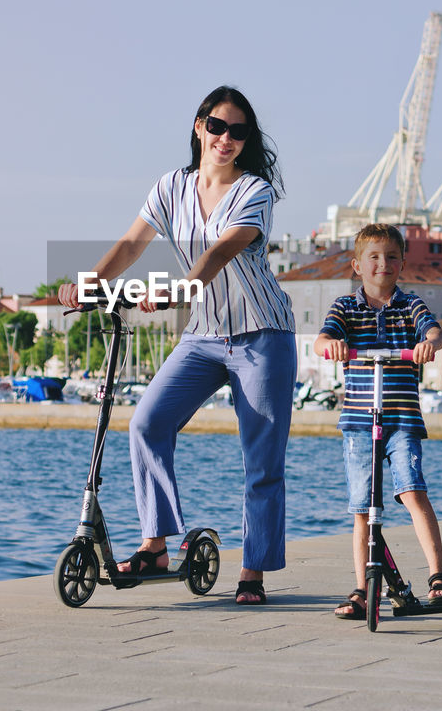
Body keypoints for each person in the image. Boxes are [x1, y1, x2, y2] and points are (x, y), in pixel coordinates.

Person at [57, 85, 296, 605]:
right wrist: (88, 283)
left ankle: (252, 572)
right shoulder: (171, 187)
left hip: (262, 337)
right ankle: (156, 544)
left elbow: (221, 251)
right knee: (147, 421)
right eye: (217, 127)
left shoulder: (254, 191)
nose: (226, 139)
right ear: (198, 126)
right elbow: (131, 244)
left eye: (238, 131)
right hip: (203, 337)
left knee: (260, 462)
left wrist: (180, 288)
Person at [312, 223, 442, 620]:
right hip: (359, 423)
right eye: (374, 257)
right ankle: (362, 586)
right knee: (362, 509)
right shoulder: (345, 308)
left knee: (412, 491)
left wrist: (428, 344)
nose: (383, 264)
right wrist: (332, 346)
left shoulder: (410, 305)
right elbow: (321, 341)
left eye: (391, 257)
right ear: (358, 265)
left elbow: (436, 333)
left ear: (402, 263)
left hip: (402, 418)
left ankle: (438, 573)